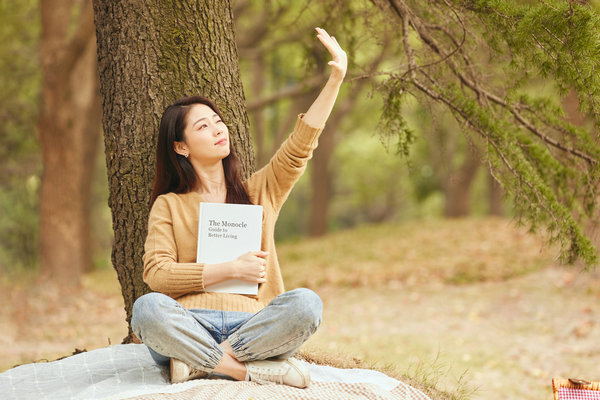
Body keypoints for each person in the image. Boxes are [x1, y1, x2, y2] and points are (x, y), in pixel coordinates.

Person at [131, 27, 347, 388]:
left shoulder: (260, 190)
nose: (218, 129)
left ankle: (202, 362)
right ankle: (244, 370)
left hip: (252, 325)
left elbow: (300, 146)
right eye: (203, 126)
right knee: (146, 310)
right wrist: (229, 269)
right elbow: (158, 276)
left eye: (218, 121)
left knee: (307, 304)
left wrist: (335, 80)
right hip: (189, 322)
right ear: (181, 147)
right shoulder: (169, 205)